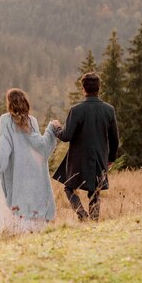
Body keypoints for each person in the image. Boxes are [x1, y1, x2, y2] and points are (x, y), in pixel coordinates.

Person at [0, 88, 57, 242]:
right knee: (34, 222)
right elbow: (41, 148)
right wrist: (51, 129)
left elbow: (4, 149)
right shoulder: (33, 121)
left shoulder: (6, 120)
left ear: (10, 104)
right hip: (34, 175)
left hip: (18, 175)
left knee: (20, 214)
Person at [52, 72, 119, 221]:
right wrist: (110, 159)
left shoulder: (76, 110)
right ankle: (94, 220)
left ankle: (82, 216)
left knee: (69, 188)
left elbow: (66, 136)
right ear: (98, 88)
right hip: (99, 157)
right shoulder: (109, 110)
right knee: (95, 191)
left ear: (83, 89)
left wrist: (56, 128)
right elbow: (115, 139)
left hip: (78, 159)